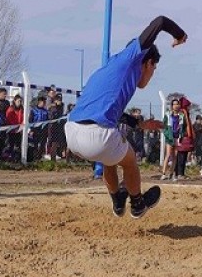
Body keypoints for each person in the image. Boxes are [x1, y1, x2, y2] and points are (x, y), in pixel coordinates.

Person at [66, 15, 187, 218]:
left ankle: (117, 200)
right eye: (154, 68)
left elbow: (107, 110)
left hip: (72, 132)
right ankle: (138, 203)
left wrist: (138, 123)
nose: (152, 74)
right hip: (96, 135)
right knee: (130, 161)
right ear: (146, 62)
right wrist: (180, 35)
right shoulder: (131, 59)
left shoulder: (110, 69)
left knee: (109, 158)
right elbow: (160, 22)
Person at [160, 98, 183, 180]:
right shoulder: (168, 114)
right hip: (170, 138)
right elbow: (163, 126)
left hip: (177, 138)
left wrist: (181, 135)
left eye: (177, 104)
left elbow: (182, 127)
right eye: (174, 104)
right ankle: (163, 173)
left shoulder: (181, 116)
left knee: (175, 156)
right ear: (172, 106)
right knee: (168, 154)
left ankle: (171, 173)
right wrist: (167, 134)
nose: (176, 106)